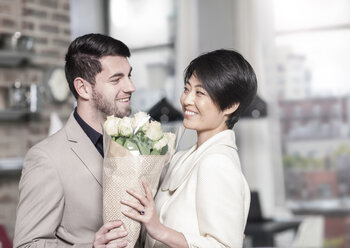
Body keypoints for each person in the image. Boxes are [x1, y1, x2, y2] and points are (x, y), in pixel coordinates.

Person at [121, 49, 257, 248]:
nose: (187, 100)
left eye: (200, 93)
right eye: (187, 89)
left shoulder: (218, 163)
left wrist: (159, 230)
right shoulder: (181, 158)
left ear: (230, 106)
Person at [14, 33, 135, 247]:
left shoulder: (133, 144)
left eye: (129, 76)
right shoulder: (46, 158)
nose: (130, 87)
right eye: (117, 79)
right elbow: (27, 244)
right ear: (83, 88)